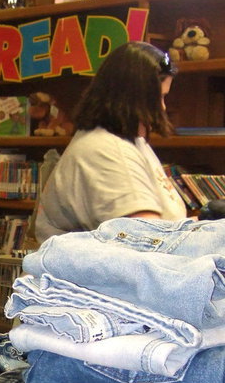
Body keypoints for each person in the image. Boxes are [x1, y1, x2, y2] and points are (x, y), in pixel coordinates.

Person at [35, 40, 187, 243]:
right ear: (134, 97)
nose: (163, 107)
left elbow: (163, 230)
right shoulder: (104, 150)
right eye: (159, 97)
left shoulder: (130, 141)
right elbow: (147, 242)